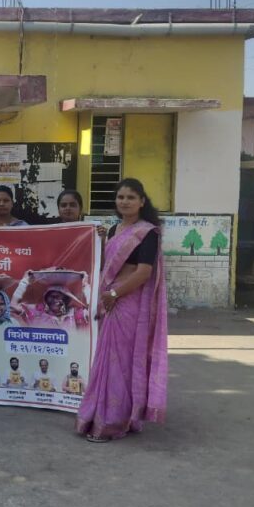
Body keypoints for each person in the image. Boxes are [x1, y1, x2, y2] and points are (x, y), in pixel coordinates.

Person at [76, 178, 168, 443]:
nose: (125, 202)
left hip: (128, 302)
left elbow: (144, 272)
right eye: (120, 197)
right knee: (107, 360)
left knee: (121, 363)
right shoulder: (114, 230)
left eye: (131, 197)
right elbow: (108, 265)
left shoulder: (148, 233)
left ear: (142, 201)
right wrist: (101, 241)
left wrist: (115, 294)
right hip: (110, 300)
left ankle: (111, 422)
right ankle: (104, 415)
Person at [10, 271, 89, 329]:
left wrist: (85, 285)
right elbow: (13, 307)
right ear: (46, 299)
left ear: (66, 299)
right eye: (50, 296)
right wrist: (24, 282)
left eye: (58, 296)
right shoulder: (36, 314)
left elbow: (92, 312)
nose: (54, 299)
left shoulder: (75, 314)